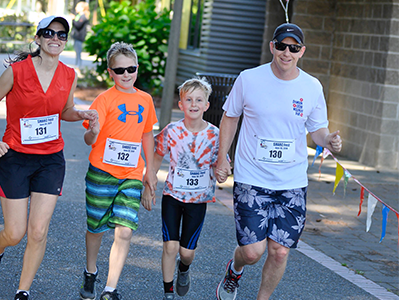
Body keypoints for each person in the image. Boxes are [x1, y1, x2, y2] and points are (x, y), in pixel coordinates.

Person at [215, 23, 342, 300]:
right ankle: (235, 270)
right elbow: (230, 117)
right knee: (252, 252)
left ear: (301, 52)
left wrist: (328, 140)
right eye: (282, 46)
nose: (287, 52)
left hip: (291, 182)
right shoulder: (249, 79)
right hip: (252, 176)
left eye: (293, 47)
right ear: (272, 47)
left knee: (280, 250)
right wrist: (221, 156)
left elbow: (317, 130)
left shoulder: (311, 86)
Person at [0, 15, 98, 300]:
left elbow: (64, 110)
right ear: (38, 38)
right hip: (15, 157)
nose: (55, 39)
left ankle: (23, 291)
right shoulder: (17, 71)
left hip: (50, 159)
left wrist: (79, 114)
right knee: (16, 232)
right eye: (49, 33)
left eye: (61, 35)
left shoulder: (69, 74)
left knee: (39, 231)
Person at [79, 41, 158, 300]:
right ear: (110, 72)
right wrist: (92, 131)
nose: (126, 75)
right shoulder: (103, 99)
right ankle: (91, 272)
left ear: (137, 68)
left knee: (124, 230)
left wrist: (150, 172)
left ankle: (110, 289)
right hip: (102, 171)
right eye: (120, 70)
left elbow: (147, 135)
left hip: (131, 174)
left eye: (131, 69)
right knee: (96, 228)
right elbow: (89, 139)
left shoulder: (145, 100)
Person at [142, 77, 221, 300]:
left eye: (199, 100)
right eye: (189, 100)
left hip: (198, 200)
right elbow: (156, 157)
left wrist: (222, 172)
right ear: (181, 104)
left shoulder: (215, 135)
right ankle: (168, 293)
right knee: (169, 246)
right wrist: (149, 185)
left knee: (186, 252)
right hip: (173, 196)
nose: (193, 104)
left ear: (206, 105)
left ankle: (183, 268)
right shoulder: (172, 131)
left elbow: (220, 165)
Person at [71, 1, 90, 69]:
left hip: (79, 37)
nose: (76, 8)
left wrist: (73, 19)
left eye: (77, 7)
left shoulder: (83, 17)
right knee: (77, 51)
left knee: (78, 52)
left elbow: (78, 25)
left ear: (82, 8)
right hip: (76, 36)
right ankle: (77, 65)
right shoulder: (78, 16)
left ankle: (78, 65)